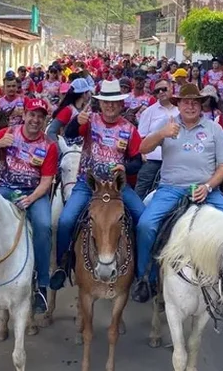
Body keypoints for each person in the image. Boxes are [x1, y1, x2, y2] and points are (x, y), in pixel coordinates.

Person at [132, 83, 223, 303]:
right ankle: (147, 279)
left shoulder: (214, 128)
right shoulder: (168, 123)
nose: (190, 106)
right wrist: (162, 133)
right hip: (170, 188)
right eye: (186, 102)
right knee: (145, 225)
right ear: (178, 104)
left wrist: (209, 186)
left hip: (206, 189)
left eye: (195, 102)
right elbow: (142, 148)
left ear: (201, 105)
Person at [49, 79, 146, 290]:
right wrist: (77, 122)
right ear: (100, 104)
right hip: (87, 184)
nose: (110, 106)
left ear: (121, 105)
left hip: (117, 188)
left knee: (143, 218)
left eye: (114, 103)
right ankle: (63, 265)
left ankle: (141, 270)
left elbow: (137, 160)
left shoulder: (129, 129)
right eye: (106, 102)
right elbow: (70, 134)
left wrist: (125, 169)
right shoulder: (89, 120)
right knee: (65, 221)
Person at [0, 98, 58, 314]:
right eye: (32, 115)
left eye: (40, 117)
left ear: (45, 120)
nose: (35, 120)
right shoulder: (8, 133)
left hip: (34, 193)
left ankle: (42, 285)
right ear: (24, 115)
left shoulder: (49, 145)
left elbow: (47, 180)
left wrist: (31, 198)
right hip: (5, 189)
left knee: (44, 226)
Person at [135, 79, 179, 199]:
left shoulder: (181, 110)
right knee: (142, 186)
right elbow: (140, 136)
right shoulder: (148, 112)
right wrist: (143, 155)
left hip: (176, 159)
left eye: (164, 89)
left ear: (171, 88)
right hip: (153, 158)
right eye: (157, 90)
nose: (160, 92)